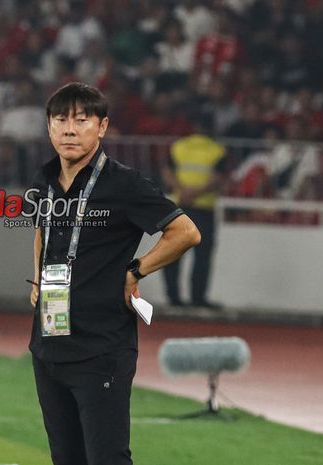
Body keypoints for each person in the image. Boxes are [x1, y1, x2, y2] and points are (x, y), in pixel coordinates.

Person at [28, 82, 201, 465]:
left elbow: (186, 232)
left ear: (102, 127)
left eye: (81, 120)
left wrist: (136, 270)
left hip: (100, 348)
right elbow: (41, 229)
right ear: (49, 127)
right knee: (65, 459)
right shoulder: (43, 181)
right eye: (60, 120)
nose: (69, 130)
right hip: (48, 345)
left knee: (107, 458)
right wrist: (38, 277)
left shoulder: (124, 184)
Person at [161, 115, 225, 308]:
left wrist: (182, 190)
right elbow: (217, 178)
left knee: (172, 255)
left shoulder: (179, 147)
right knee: (202, 257)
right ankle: (198, 299)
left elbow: (166, 171)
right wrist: (196, 192)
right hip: (203, 208)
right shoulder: (218, 151)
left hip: (177, 207)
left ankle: (173, 299)